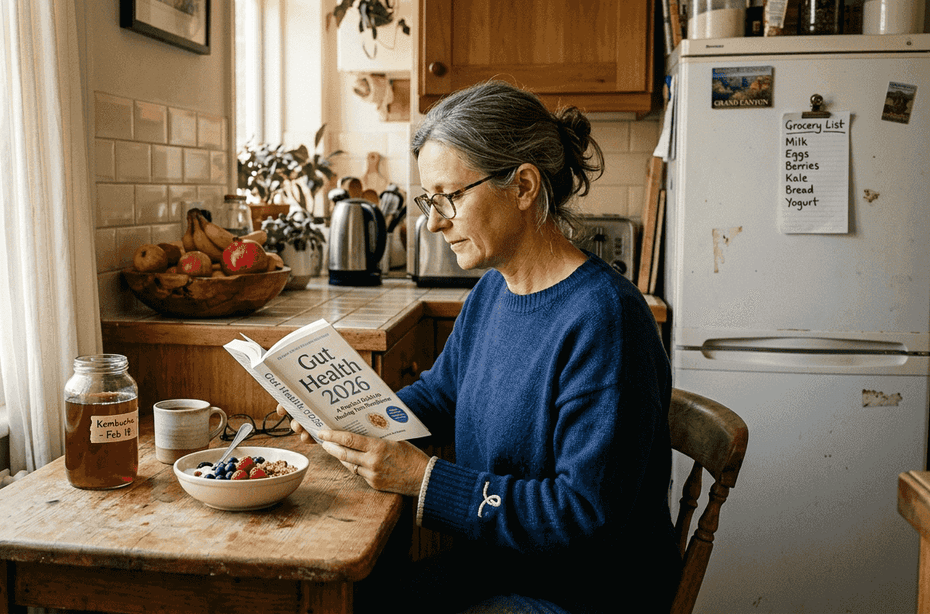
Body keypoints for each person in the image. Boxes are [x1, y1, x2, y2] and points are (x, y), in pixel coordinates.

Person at [277, 80, 680, 613]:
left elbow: (584, 515)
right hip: (501, 567)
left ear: (523, 186)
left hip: (579, 595)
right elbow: (439, 397)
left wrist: (425, 479)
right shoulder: (493, 291)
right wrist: (344, 416)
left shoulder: (606, 320)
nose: (433, 221)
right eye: (429, 200)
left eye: (449, 196)